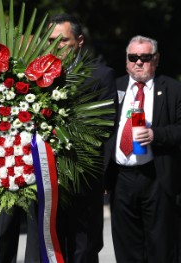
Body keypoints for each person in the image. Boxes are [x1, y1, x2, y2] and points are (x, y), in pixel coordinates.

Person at [104, 35, 181, 263]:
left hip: (156, 177)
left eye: (145, 57)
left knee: (160, 246)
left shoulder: (172, 89)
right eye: (133, 57)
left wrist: (156, 134)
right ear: (127, 61)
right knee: (127, 247)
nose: (139, 62)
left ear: (155, 60)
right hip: (121, 179)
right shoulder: (114, 87)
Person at [48, 13, 116, 263]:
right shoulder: (34, 78)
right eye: (51, 40)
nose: (56, 47)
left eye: (62, 40)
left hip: (84, 182)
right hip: (47, 182)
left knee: (84, 251)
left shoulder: (100, 76)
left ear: (78, 41)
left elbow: (107, 130)